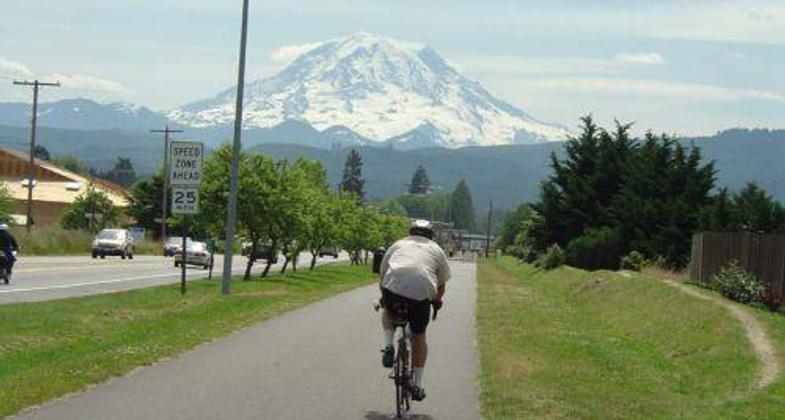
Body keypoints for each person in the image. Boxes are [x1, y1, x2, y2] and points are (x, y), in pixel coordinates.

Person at [378, 219, 451, 402]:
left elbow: (383, 271)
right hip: (420, 296)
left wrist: (384, 293)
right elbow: (441, 284)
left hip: (393, 289)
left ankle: (388, 345)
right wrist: (437, 300)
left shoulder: (398, 243)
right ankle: (417, 385)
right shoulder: (436, 250)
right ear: (431, 235)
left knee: (388, 311)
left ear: (411, 232)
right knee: (419, 336)